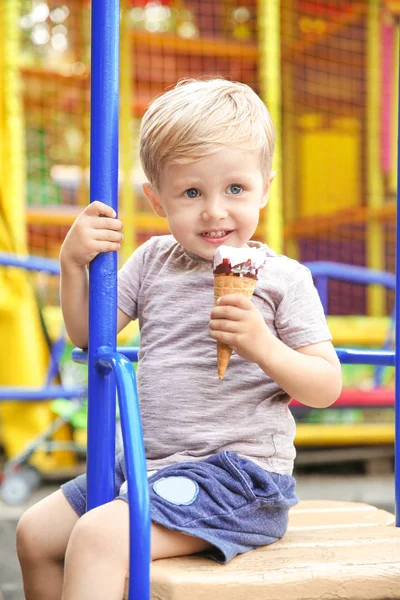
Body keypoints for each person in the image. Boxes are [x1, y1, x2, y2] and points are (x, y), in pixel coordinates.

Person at [16, 78, 342, 600]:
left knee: (100, 538)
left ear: (265, 187)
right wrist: (72, 265)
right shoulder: (151, 261)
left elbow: (326, 386)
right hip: (149, 464)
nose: (214, 210)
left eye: (235, 189)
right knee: (34, 534)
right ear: (157, 198)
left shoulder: (285, 279)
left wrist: (262, 344)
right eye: (191, 192)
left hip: (239, 479)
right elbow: (87, 334)